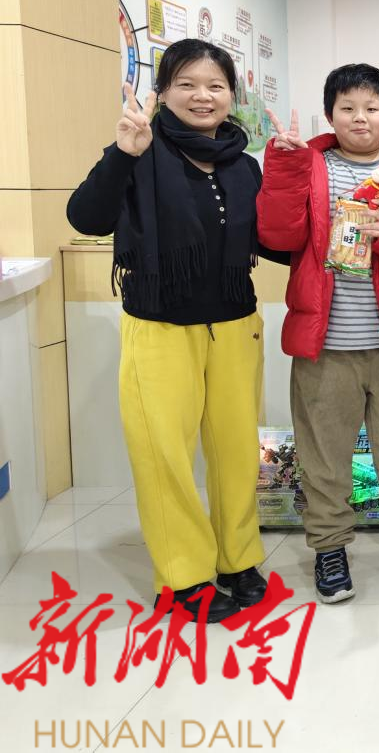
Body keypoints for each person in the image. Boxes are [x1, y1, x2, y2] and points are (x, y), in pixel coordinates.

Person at [67, 39, 285, 621]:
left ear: (232, 95)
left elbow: (274, 244)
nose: (202, 96)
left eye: (215, 85)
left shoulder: (244, 164)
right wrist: (121, 154)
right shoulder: (140, 150)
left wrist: (297, 185)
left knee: (237, 454)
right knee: (163, 456)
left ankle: (237, 559)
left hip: (235, 325)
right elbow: (85, 217)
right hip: (160, 326)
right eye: (187, 84)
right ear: (163, 92)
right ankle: (184, 575)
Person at [256, 63, 379, 604]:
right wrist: (283, 165)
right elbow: (276, 233)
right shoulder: (308, 165)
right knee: (324, 453)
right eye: (347, 108)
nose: (360, 118)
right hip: (324, 343)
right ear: (330, 114)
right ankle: (329, 546)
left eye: (371, 107)